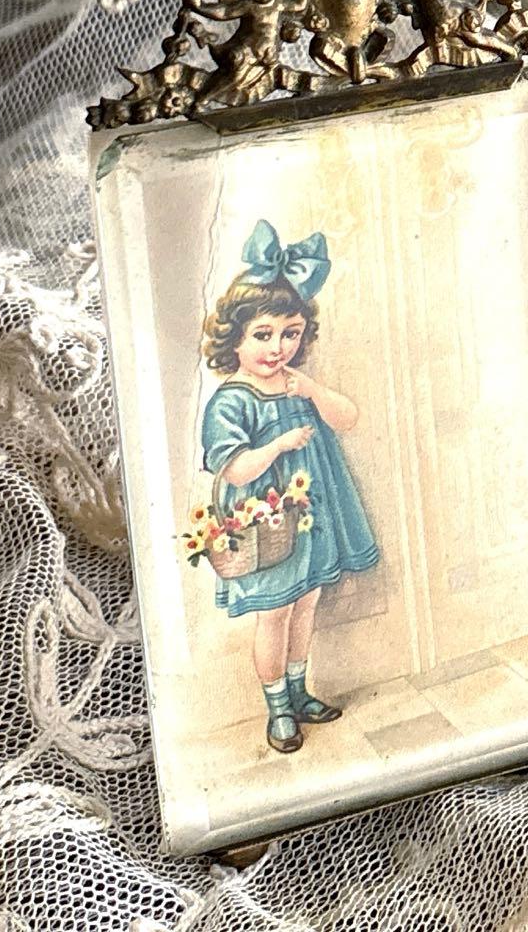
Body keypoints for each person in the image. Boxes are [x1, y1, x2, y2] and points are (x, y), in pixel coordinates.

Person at [200, 219, 379, 753]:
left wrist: (315, 391)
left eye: (291, 333)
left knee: (307, 603)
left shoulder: (298, 384)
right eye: (263, 335)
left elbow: (348, 418)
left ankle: (300, 692)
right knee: (275, 613)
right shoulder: (231, 400)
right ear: (234, 338)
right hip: (268, 523)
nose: (278, 347)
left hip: (313, 514)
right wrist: (278, 445)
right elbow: (235, 470)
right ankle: (277, 707)